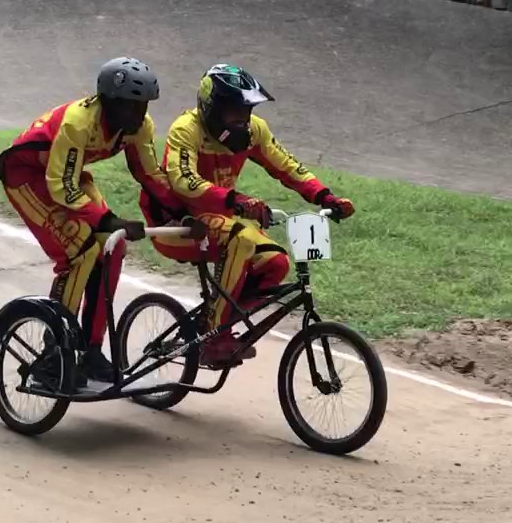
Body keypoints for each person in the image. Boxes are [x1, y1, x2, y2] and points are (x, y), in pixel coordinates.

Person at [0, 58, 198, 386]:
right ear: (110, 103)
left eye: (144, 105)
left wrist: (181, 211)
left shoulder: (139, 126)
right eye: (133, 106)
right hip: (27, 177)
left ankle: (90, 349)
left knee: (112, 249)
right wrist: (110, 219)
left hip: (67, 177)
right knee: (81, 249)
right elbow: (63, 186)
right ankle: (53, 354)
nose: (140, 113)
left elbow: (149, 174)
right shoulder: (79, 122)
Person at [141, 65, 355, 366]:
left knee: (275, 262)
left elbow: (287, 166)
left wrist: (325, 196)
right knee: (241, 240)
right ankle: (214, 336)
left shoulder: (255, 131)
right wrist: (235, 200)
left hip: (221, 221)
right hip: (177, 224)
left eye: (247, 111)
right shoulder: (186, 129)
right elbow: (183, 180)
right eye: (235, 112)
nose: (243, 121)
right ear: (212, 109)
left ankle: (217, 321)